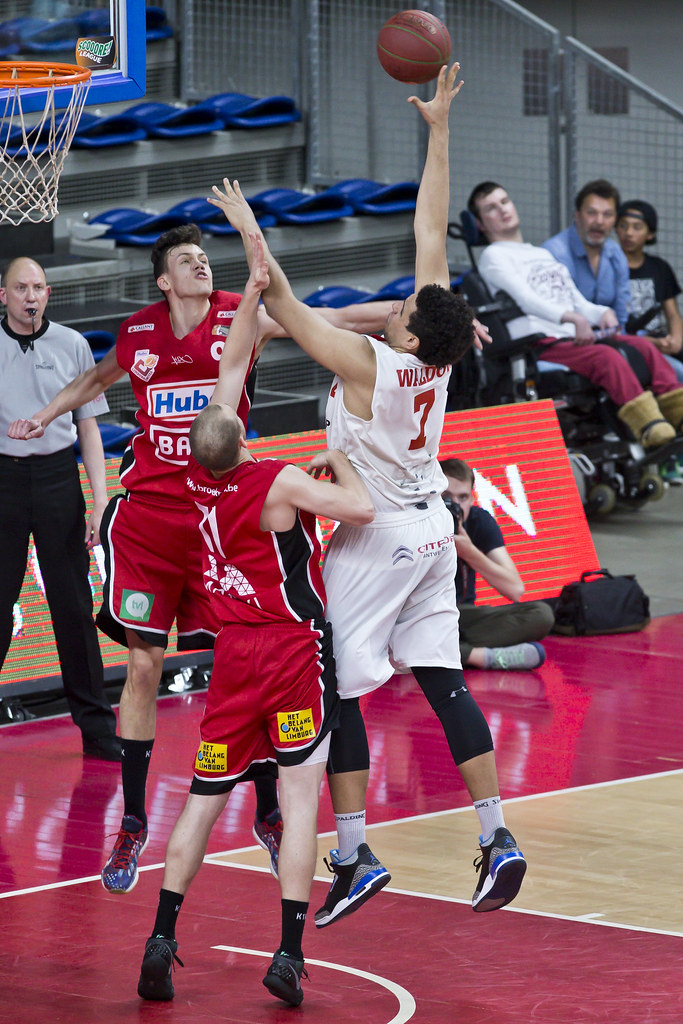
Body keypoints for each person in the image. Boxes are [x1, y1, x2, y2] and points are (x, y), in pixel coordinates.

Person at [211, 63, 528, 926]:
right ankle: (497, 836)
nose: (391, 305)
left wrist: (249, 235)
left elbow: (282, 304)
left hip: (381, 535)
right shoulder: (435, 353)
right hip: (433, 527)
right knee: (442, 680)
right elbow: (431, 224)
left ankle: (350, 853)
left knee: (335, 689)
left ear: (407, 331)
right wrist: (436, 129)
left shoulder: (372, 364)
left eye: (399, 308)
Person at [7, 225, 394, 896]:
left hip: (222, 516)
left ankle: (269, 813)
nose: (200, 265)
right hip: (152, 522)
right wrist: (44, 416)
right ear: (163, 279)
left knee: (249, 659)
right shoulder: (138, 334)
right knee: (143, 665)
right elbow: (96, 379)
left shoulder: (237, 319)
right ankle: (132, 822)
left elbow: (324, 320)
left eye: (203, 258)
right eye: (187, 261)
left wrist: (395, 317)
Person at [137, 235, 374, 1007]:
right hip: (287, 649)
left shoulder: (195, 483)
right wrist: (339, 459)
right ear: (243, 435)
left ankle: (161, 936)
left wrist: (251, 276)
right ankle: (289, 951)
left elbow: (230, 366)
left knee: (202, 801)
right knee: (299, 800)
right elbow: (362, 509)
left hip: (229, 656)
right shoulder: (275, 481)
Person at [0, 257, 120, 761]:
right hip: (4, 479)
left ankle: (96, 728)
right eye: (20, 287)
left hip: (56, 479)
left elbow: (89, 429)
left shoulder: (72, 344)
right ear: (2, 295)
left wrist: (100, 498)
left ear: (48, 293)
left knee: (72, 606)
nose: (31, 295)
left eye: (39, 287)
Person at [467, 181, 683, 448]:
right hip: (542, 343)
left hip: (572, 337)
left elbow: (577, 301)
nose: (502, 210)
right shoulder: (493, 255)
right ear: (480, 224)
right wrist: (572, 318)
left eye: (504, 201)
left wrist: (602, 313)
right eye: (490, 208)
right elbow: (526, 299)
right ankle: (649, 427)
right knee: (607, 357)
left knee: (645, 348)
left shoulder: (541, 253)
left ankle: (677, 414)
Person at [440, 458, 554, 671]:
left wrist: (469, 552)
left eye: (462, 497)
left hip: (464, 618)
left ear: (472, 499)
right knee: (401, 631)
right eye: (446, 498)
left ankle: (445, 652)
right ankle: (478, 656)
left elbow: (515, 589)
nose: (455, 506)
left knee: (541, 615)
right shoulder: (419, 522)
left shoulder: (479, 521)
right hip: (425, 617)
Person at [542, 178, 631, 330]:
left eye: (607, 214)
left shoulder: (616, 253)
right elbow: (556, 312)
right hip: (568, 338)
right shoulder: (554, 252)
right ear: (577, 215)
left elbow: (622, 314)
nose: (599, 221)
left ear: (615, 219)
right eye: (591, 213)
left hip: (609, 338)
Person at [615, 199, 683, 385]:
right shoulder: (609, 268)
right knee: (678, 373)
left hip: (663, 340)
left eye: (637, 227)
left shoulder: (660, 268)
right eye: (623, 226)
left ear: (650, 234)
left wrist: (676, 339)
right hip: (631, 344)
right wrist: (653, 343)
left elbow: (673, 314)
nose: (628, 233)